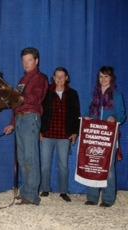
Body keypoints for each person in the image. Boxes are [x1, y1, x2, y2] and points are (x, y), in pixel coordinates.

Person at [4, 47, 48, 205]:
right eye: (24, 60)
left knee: (31, 157)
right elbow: (16, 105)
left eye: (29, 60)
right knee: (22, 158)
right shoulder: (22, 81)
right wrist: (12, 123)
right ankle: (25, 192)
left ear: (36, 61)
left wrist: (16, 95)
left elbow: (34, 98)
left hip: (31, 118)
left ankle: (32, 196)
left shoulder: (41, 78)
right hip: (20, 119)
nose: (26, 63)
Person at [84, 66, 126, 207]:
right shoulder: (93, 94)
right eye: (101, 76)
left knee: (108, 168)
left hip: (109, 136)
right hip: (94, 135)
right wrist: (87, 118)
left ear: (111, 78)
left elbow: (122, 115)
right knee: (93, 164)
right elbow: (87, 111)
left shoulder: (117, 95)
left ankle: (108, 199)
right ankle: (92, 197)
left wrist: (114, 117)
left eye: (106, 76)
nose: (103, 79)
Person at [40, 67, 80, 202]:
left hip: (64, 135)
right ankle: (45, 189)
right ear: (53, 77)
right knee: (45, 164)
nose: (59, 79)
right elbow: (40, 112)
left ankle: (63, 191)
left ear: (67, 78)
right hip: (47, 133)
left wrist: (75, 132)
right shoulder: (46, 92)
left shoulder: (73, 94)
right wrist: (40, 131)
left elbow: (76, 115)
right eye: (57, 76)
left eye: (62, 76)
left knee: (63, 165)